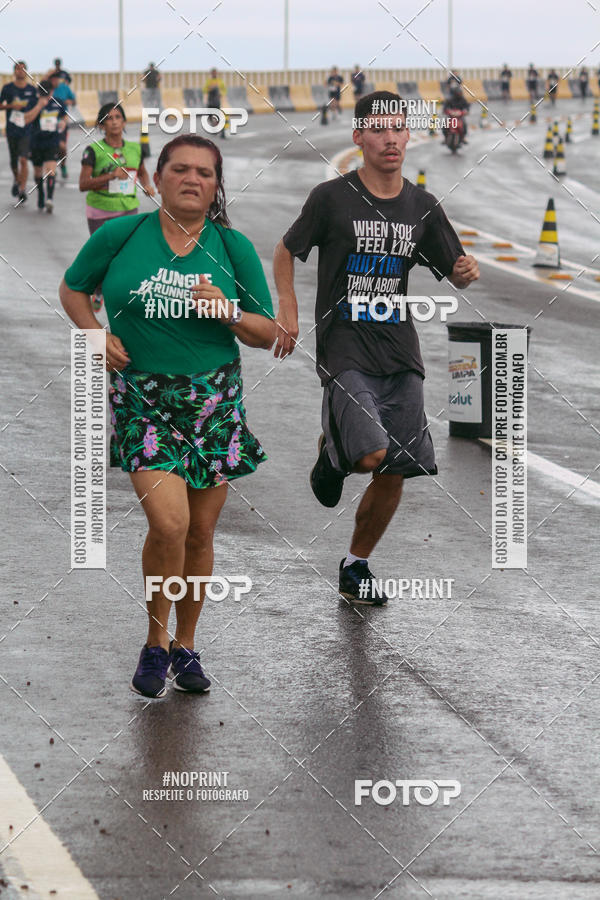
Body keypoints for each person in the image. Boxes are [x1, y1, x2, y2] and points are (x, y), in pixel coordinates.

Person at [60, 134, 277, 698]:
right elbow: (73, 289)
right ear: (156, 179)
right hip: (143, 399)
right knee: (170, 523)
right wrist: (94, 334)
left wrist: (227, 312)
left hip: (214, 403)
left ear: (215, 186)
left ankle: (186, 646)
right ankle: (154, 644)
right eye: (179, 169)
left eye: (204, 172)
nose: (191, 179)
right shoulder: (121, 234)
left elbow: (268, 334)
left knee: (201, 530)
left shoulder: (232, 248)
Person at [272, 91, 479, 605]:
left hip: (400, 350)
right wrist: (288, 306)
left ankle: (356, 563)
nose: (390, 138)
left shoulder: (422, 206)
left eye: (399, 129)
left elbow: (455, 269)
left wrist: (464, 272)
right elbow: (286, 248)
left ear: (409, 135)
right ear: (358, 136)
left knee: (398, 467)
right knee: (370, 454)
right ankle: (335, 455)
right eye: (378, 129)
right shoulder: (331, 198)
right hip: (344, 345)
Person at [79, 102, 154, 309]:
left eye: (117, 117)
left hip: (128, 209)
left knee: (125, 255)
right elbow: (83, 184)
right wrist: (110, 175)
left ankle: (119, 293)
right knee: (103, 255)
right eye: (108, 119)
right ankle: (98, 288)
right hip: (100, 210)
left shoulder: (135, 148)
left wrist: (147, 184)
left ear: (124, 121)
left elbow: (142, 171)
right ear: (102, 125)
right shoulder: (93, 150)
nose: (114, 122)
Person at [0, 60, 39, 203]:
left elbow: (37, 111)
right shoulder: (8, 88)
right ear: (14, 72)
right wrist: (11, 106)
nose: (20, 71)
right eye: (17, 69)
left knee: (23, 160)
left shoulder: (32, 90)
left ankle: (22, 190)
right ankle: (17, 179)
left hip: (26, 131)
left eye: (23, 69)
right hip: (12, 130)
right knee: (13, 161)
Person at [30, 77, 68, 213]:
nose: (47, 96)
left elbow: (65, 116)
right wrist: (39, 105)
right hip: (36, 142)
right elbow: (27, 118)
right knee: (37, 172)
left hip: (52, 141)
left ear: (52, 91)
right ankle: (41, 194)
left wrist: (63, 122)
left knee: (51, 170)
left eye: (48, 93)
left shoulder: (58, 103)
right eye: (43, 93)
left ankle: (50, 199)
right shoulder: (33, 102)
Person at [51, 76, 76, 179]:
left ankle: (63, 165)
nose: (55, 80)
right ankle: (52, 168)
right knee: (50, 148)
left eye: (57, 78)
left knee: (62, 147)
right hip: (47, 126)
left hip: (61, 124)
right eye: (53, 78)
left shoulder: (64, 88)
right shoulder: (45, 89)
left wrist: (67, 102)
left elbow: (73, 101)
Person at [203, 68, 227, 139]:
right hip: (210, 100)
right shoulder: (209, 81)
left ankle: (220, 130)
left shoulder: (220, 81)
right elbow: (204, 89)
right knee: (209, 116)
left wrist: (221, 94)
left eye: (215, 73)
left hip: (217, 101)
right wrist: (210, 88)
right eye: (213, 73)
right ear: (211, 73)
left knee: (218, 115)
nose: (214, 74)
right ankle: (214, 126)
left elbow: (224, 89)